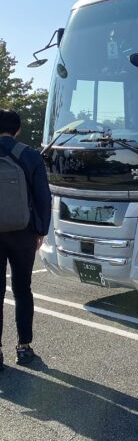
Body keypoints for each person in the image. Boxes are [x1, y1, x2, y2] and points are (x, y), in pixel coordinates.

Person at [0, 109, 51, 369]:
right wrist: (40, 231)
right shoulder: (29, 155)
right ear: (18, 129)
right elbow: (43, 196)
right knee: (22, 289)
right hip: (24, 232)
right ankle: (23, 347)